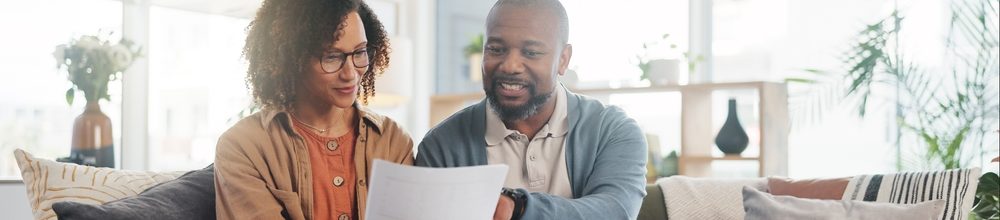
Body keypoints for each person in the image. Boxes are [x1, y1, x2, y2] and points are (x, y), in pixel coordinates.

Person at [415, 0, 648, 219]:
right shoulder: (442, 145)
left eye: (531, 52)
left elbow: (616, 211)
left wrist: (519, 207)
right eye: (496, 49)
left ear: (563, 60)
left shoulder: (611, 131)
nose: (510, 66)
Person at [214, 0, 414, 219]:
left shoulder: (392, 141)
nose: (350, 74)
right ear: (291, 60)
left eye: (359, 52)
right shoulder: (244, 147)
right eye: (331, 57)